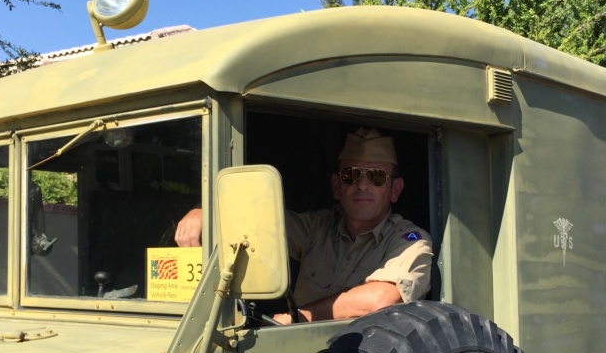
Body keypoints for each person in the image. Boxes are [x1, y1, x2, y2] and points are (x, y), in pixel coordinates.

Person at [174, 127, 433, 324]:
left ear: (395, 190)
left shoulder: (410, 241)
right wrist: (205, 212)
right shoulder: (317, 227)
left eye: (377, 176)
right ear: (336, 186)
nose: (362, 185)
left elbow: (381, 299)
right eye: (350, 175)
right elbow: (256, 225)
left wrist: (299, 317)